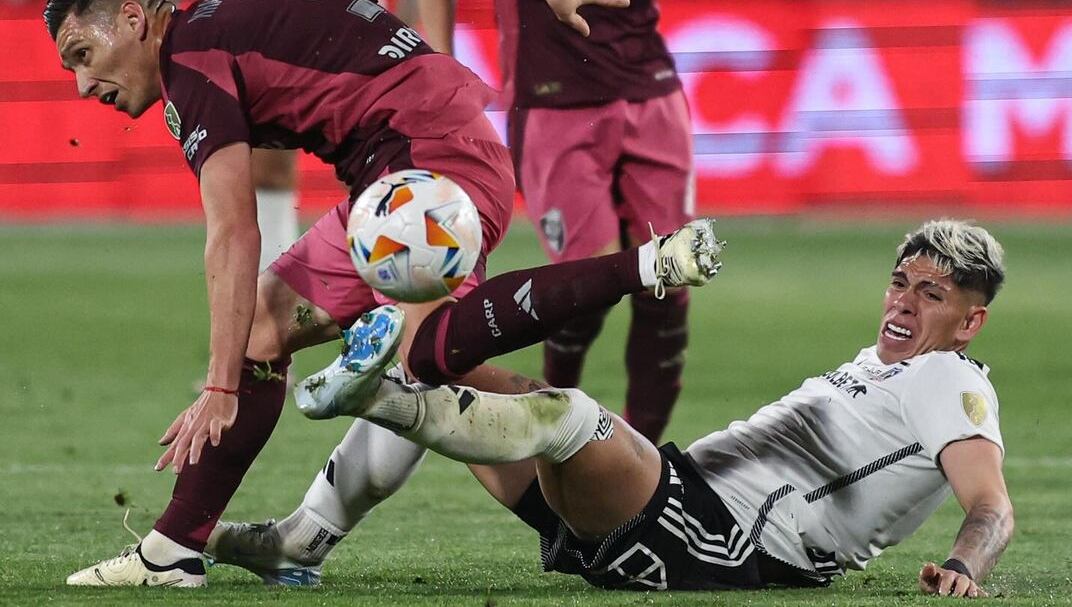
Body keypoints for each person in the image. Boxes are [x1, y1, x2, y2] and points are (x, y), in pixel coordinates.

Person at [49, 0, 719, 587]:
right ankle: (206, 544)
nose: (82, 85)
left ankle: (189, 548)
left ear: (135, 19)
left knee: (416, 367)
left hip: (423, 161)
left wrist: (222, 387)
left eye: (84, 53)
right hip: (428, 152)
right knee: (387, 361)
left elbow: (231, 229)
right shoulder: (218, 26)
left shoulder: (189, 56)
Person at [225, 219, 1015, 596]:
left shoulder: (948, 381)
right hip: (673, 503)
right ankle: (303, 536)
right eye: (901, 282)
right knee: (461, 371)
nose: (904, 303)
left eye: (932, 293)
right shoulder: (880, 366)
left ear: (970, 320)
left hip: (728, 543)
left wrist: (962, 567)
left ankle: (383, 399)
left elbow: (992, 505)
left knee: (566, 414)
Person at [420, 0, 696, 444]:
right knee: (594, 279)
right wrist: (439, 63)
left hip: (651, 84)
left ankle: (645, 463)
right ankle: (562, 430)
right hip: (552, 94)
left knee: (670, 279)